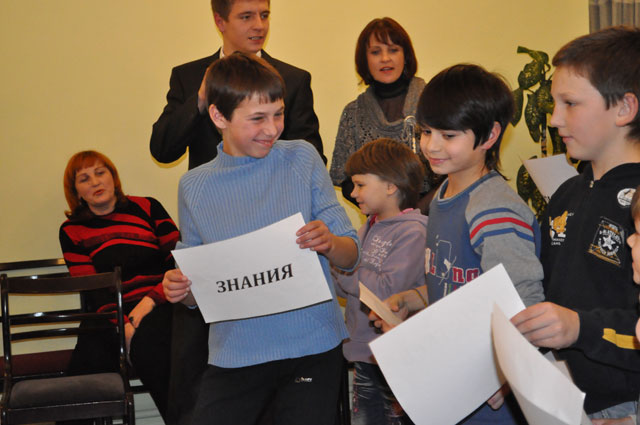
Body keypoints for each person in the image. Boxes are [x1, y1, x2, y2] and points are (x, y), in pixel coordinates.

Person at [161, 52, 358, 425]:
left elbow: (351, 254)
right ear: (219, 116)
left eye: (278, 114)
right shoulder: (195, 186)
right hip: (236, 352)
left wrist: (330, 243)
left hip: (311, 345)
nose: (272, 129)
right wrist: (180, 289)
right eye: (257, 118)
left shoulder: (302, 159)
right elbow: (196, 291)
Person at [371, 64, 545, 424]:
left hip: (489, 402)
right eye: (426, 132)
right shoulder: (442, 196)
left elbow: (524, 303)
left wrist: (505, 372)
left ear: (490, 135)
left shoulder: (494, 210)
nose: (431, 146)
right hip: (452, 385)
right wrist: (411, 299)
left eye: (448, 135)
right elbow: (457, 284)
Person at [511, 26, 640, 424]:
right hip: (562, 395)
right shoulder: (567, 193)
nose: (553, 119)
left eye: (570, 103)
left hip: (623, 405)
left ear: (624, 108)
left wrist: (580, 327)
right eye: (554, 103)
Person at [59, 150, 179, 422]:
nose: (95, 182)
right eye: (84, 179)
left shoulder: (148, 207)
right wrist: (123, 323)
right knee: (82, 376)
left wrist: (147, 305)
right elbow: (93, 288)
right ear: (76, 192)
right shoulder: (71, 230)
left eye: (100, 173)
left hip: (159, 303)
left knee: (153, 350)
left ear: (113, 177)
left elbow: (179, 263)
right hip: (107, 312)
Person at [150, 0, 324, 169]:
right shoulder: (188, 76)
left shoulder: (293, 79)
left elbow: (312, 162)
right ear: (220, 22)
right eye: (246, 17)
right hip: (209, 188)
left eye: (264, 15)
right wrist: (200, 98)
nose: (260, 25)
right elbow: (162, 151)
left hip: (273, 187)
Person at [333, 138, 427, 425]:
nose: (353, 193)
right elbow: (347, 290)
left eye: (360, 184)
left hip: (394, 355)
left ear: (390, 186)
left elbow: (387, 291)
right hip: (365, 352)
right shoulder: (368, 228)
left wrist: (344, 266)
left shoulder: (413, 232)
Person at [329, 17, 438, 210]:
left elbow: (454, 172)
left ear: (406, 56)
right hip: (380, 221)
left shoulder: (433, 101)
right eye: (375, 52)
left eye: (393, 50)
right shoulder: (353, 113)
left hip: (434, 215)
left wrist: (416, 213)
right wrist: (386, 211)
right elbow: (346, 180)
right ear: (364, 59)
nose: (385, 58)